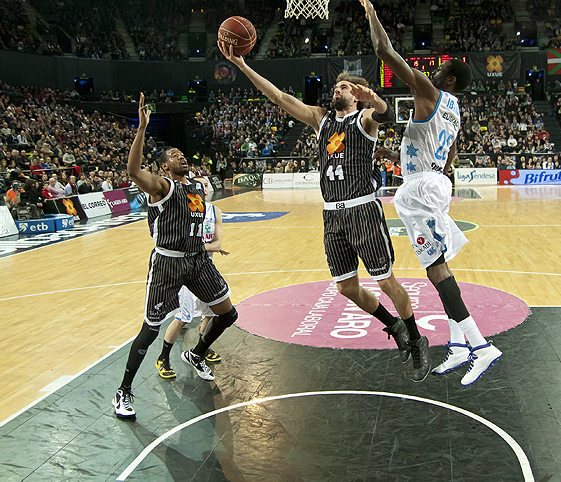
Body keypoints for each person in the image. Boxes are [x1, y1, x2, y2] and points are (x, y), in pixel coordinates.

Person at [219, 42, 430, 382]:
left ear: (356, 94)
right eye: (335, 87)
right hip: (332, 215)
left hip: (363, 211)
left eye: (343, 87)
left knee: (386, 282)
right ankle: (392, 325)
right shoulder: (321, 119)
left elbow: (384, 113)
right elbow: (279, 98)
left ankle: (417, 339)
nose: (337, 90)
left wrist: (373, 97)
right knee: (347, 288)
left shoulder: (364, 119)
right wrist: (243, 66)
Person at [360, 0, 502, 386]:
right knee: (439, 264)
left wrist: (373, 15)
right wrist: (390, 152)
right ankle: (457, 349)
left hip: (421, 188)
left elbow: (384, 50)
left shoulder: (431, 93)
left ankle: (480, 346)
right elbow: (446, 157)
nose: (432, 73)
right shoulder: (455, 111)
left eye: (438, 70)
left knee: (436, 269)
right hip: (431, 181)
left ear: (450, 79)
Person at [113, 93, 238, 420]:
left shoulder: (196, 188)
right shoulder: (161, 186)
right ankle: (124, 389)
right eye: (174, 154)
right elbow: (132, 170)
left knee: (228, 314)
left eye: (182, 153)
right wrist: (141, 128)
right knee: (151, 328)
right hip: (168, 263)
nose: (181, 156)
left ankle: (196, 354)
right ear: (164, 165)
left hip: (198, 260)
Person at [155, 175, 228, 379]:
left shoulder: (215, 211)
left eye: (206, 185)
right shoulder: (184, 210)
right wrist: (202, 248)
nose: (204, 188)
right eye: (200, 185)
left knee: (211, 314)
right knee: (183, 317)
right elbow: (180, 242)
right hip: (186, 270)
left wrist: (197, 247)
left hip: (205, 269)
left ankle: (200, 350)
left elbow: (217, 244)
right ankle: (163, 358)